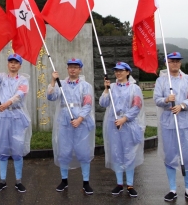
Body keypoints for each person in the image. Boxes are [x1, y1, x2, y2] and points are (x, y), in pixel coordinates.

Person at [46, 58, 95, 195]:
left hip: (81, 123)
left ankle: (86, 182)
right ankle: (64, 180)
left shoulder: (86, 86)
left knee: (83, 152)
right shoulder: (61, 84)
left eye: (75, 67)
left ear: (80, 69)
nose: (72, 69)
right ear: (67, 69)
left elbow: (87, 104)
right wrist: (53, 81)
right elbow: (51, 97)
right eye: (70, 67)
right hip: (64, 122)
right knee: (64, 152)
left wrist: (80, 119)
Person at [0, 54, 31, 193]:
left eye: (16, 62)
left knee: (17, 150)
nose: (13, 64)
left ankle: (18, 181)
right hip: (2, 117)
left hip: (17, 115)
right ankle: (2, 180)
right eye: (10, 62)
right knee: (3, 149)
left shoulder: (23, 80)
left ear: (20, 65)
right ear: (7, 64)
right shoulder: (2, 78)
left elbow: (20, 94)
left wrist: (7, 103)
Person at [99, 62, 145, 198]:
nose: (118, 73)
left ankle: (130, 184)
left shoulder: (134, 88)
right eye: (116, 71)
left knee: (129, 154)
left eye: (121, 71)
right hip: (113, 125)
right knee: (117, 153)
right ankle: (119, 184)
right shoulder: (111, 87)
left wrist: (124, 119)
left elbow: (136, 107)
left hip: (128, 125)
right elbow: (103, 103)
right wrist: (106, 90)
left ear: (127, 72)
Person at [153, 52, 188, 202]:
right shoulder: (161, 81)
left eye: (177, 61)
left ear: (180, 63)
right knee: (169, 156)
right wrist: (166, 99)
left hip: (184, 123)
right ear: (166, 63)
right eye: (172, 61)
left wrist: (182, 105)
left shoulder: (187, 79)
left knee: (186, 156)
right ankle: (172, 189)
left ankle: (187, 188)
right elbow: (156, 99)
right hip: (168, 123)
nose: (175, 64)